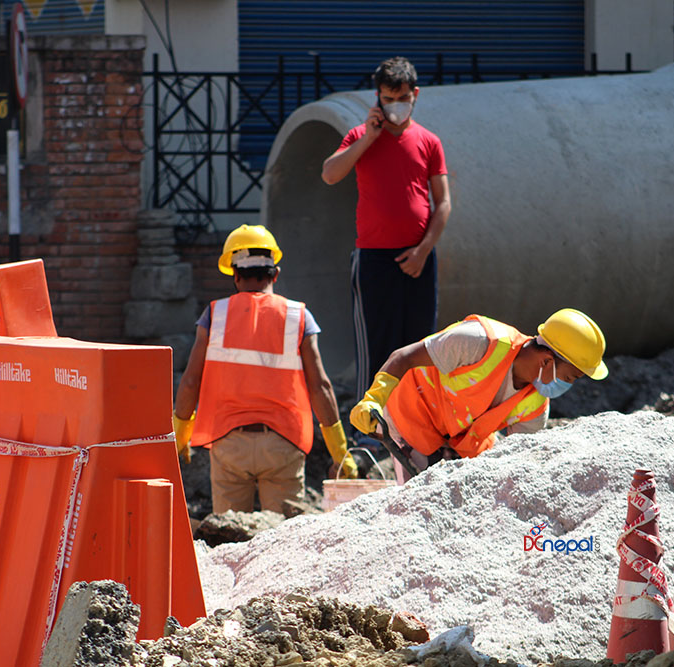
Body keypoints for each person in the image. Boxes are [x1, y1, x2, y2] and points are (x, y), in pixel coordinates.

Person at [173, 225, 358, 515]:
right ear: (276, 273)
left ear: (235, 275)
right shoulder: (298, 316)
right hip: (283, 444)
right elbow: (320, 386)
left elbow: (190, 382)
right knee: (284, 536)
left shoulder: (215, 315)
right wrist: (340, 451)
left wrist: (180, 435)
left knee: (230, 534)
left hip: (229, 445)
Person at [321, 56, 452, 405]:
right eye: (388, 98)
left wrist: (423, 251)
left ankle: (419, 418)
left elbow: (443, 203)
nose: (396, 105)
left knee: (420, 345)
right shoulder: (360, 136)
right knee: (377, 343)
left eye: (403, 98)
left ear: (415, 95)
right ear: (377, 97)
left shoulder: (428, 141)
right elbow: (330, 174)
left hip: (418, 259)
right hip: (374, 259)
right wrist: (368, 137)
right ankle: (372, 423)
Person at [350, 308, 608, 483]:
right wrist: (374, 399)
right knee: (413, 505)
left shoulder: (535, 405)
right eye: (569, 377)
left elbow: (518, 465)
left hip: (461, 441)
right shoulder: (480, 341)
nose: (567, 386)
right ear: (547, 361)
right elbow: (403, 357)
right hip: (412, 414)